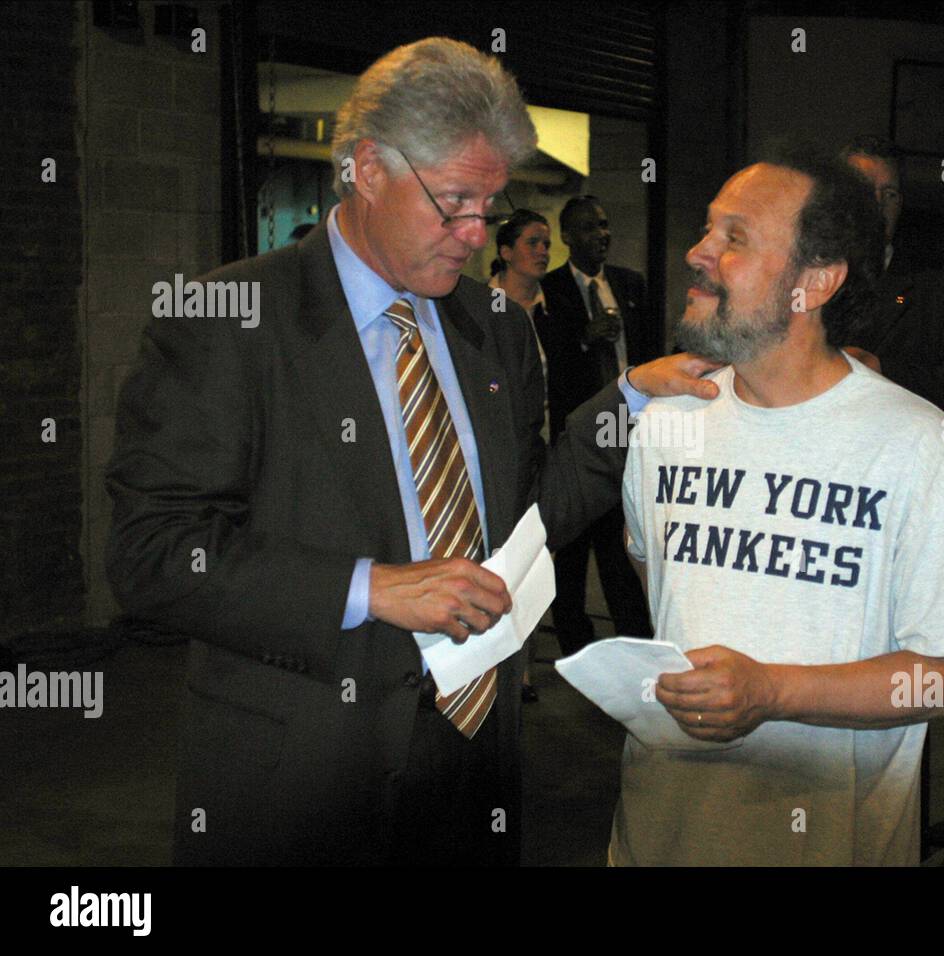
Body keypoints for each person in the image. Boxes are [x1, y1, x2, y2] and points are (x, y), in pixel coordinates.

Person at [105, 37, 716, 866]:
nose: (475, 235)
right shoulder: (229, 319)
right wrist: (371, 587)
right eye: (454, 202)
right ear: (365, 168)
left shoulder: (493, 328)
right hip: (302, 770)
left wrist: (631, 400)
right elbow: (154, 556)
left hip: (473, 763)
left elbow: (528, 516)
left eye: (490, 207)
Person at [612, 146, 944, 866]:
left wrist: (774, 691)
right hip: (657, 837)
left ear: (815, 282)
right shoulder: (665, 425)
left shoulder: (916, 446)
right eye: (709, 231)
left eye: (734, 238)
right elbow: (660, 595)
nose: (698, 253)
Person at [541, 196, 660, 654]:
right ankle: (574, 643)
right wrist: (582, 338)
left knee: (622, 540)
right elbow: (548, 355)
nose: (602, 235)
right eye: (590, 228)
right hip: (578, 435)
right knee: (571, 550)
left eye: (606, 225)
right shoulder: (550, 290)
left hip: (628, 430)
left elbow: (650, 351)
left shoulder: (630, 284)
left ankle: (634, 641)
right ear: (568, 236)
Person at [842, 138, 944, 448]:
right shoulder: (792, 282)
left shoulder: (942, 290)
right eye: (865, 191)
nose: (878, 205)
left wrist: (882, 371)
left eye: (890, 194)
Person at [489, 209, 553, 703]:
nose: (542, 251)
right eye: (531, 242)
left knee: (533, 558)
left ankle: (524, 669)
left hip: (543, 449)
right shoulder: (479, 309)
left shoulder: (554, 310)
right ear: (506, 251)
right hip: (500, 453)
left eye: (546, 243)